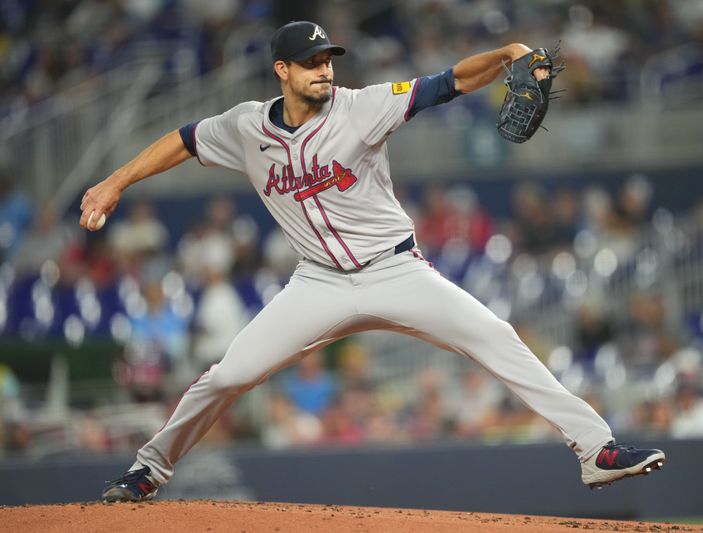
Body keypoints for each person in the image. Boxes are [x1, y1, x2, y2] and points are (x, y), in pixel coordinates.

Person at [83, 21, 665, 502]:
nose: (325, 69)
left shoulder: (361, 107)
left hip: (395, 271)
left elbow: (450, 82)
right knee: (230, 374)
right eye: (311, 62)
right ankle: (147, 470)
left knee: (495, 335)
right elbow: (183, 140)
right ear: (282, 71)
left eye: (328, 59)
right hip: (316, 284)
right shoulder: (245, 127)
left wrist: (511, 52)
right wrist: (116, 181)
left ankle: (597, 450)